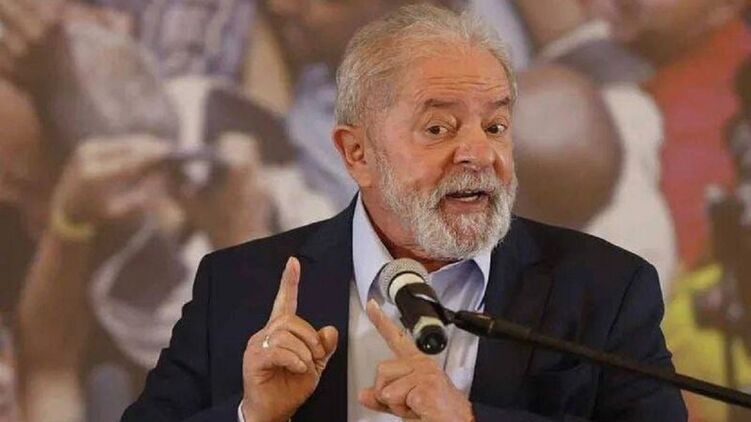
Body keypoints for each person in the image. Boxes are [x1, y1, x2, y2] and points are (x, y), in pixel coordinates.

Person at [124, 4, 686, 421]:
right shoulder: (238, 283)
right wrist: (253, 416)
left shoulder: (606, 290)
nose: (478, 154)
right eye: (438, 128)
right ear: (357, 153)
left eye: (495, 126)